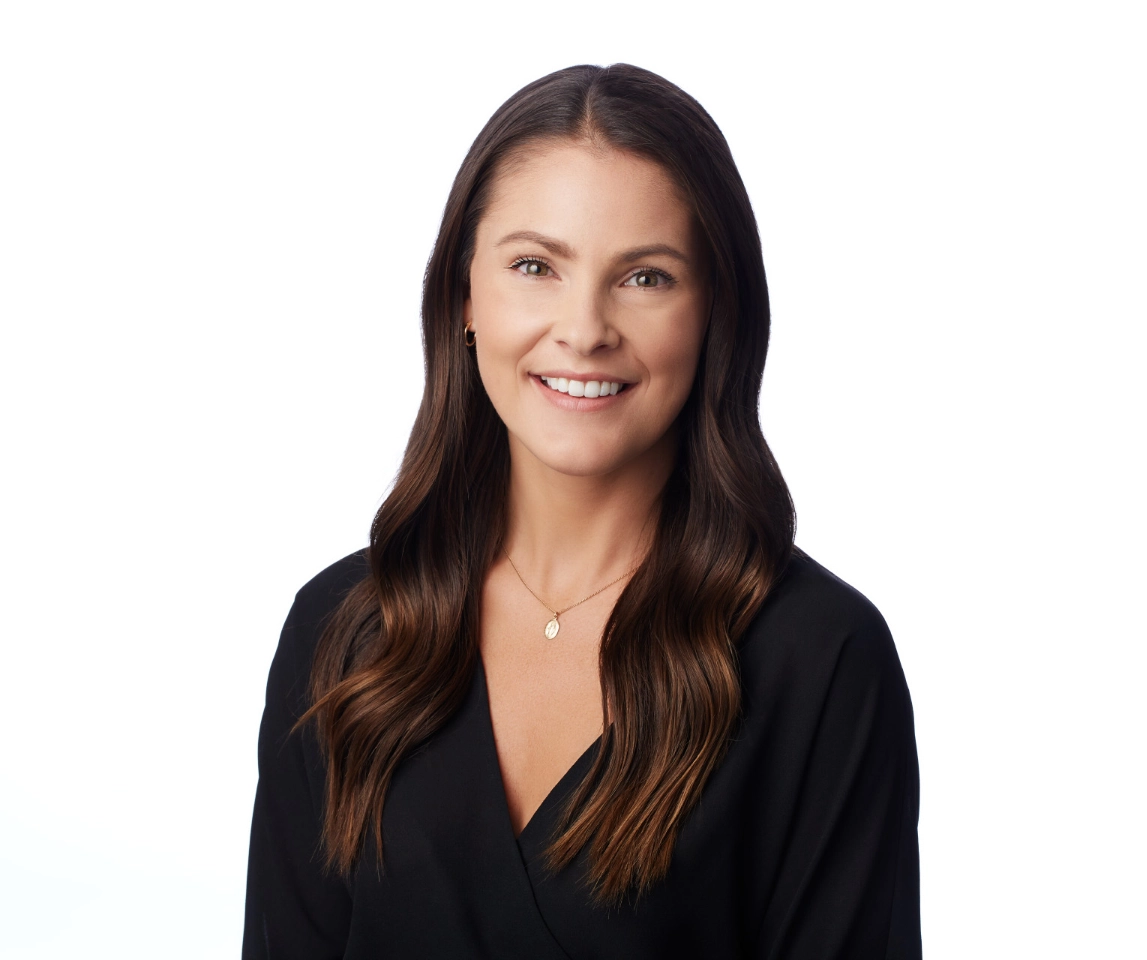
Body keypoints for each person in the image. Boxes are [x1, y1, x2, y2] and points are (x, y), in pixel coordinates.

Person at [242, 63, 921, 959]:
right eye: (535, 266)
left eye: (646, 277)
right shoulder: (343, 633)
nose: (585, 327)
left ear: (716, 312)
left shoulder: (822, 660)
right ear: (464, 298)